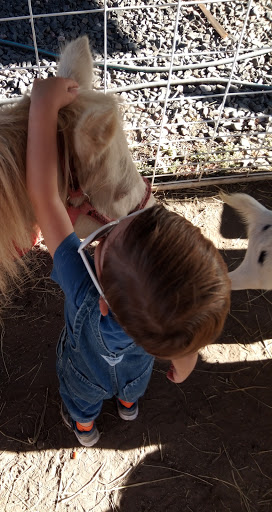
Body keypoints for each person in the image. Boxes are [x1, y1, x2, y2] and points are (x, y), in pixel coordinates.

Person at [26, 77, 231, 447]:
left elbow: (43, 195)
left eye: (107, 240)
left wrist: (42, 106)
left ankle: (84, 428)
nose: (113, 227)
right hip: (137, 372)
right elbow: (185, 344)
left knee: (80, 399)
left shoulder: (81, 285)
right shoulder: (170, 331)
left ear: (104, 300)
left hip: (85, 374)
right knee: (131, 386)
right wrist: (184, 363)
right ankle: (127, 406)